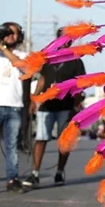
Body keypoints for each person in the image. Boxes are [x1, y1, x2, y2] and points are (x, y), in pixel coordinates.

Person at [22, 28, 86, 188]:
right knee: (41, 139)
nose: (66, 42)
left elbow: (80, 84)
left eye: (69, 39)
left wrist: (76, 105)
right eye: (63, 39)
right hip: (46, 105)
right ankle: (35, 174)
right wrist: (34, 99)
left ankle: (59, 172)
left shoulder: (76, 60)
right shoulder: (48, 58)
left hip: (66, 106)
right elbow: (43, 79)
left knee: (64, 141)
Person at [0, 22, 27, 193]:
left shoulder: (23, 54)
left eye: (13, 33)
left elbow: (24, 67)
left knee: (11, 146)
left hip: (14, 106)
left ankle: (12, 179)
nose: (10, 35)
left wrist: (3, 49)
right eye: (6, 32)